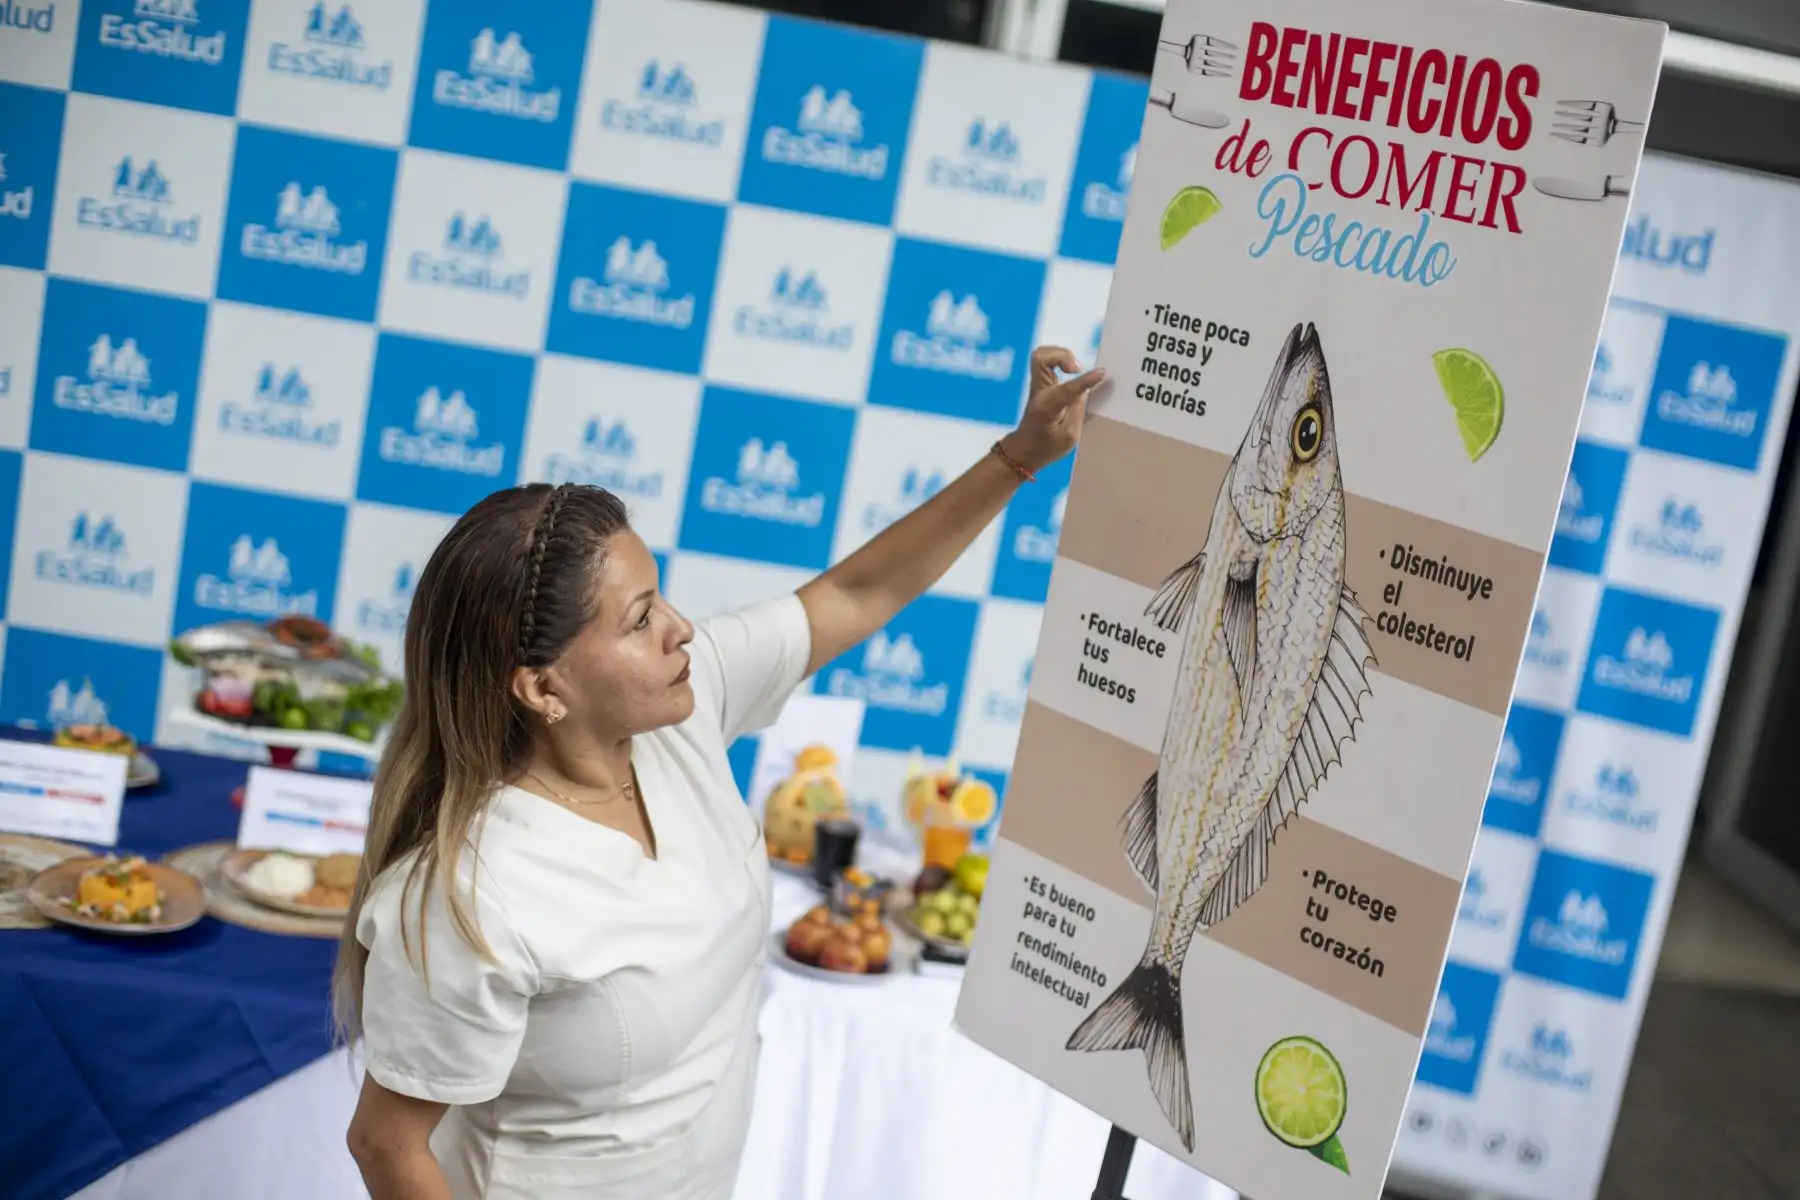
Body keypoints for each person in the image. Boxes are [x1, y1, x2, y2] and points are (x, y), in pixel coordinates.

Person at [333, 347, 1106, 1200]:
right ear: (543, 687)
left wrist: (1020, 458)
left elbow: (856, 594)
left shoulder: (682, 715)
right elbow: (388, 1147)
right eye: (639, 621)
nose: (683, 629)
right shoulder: (470, 892)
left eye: (661, 597)